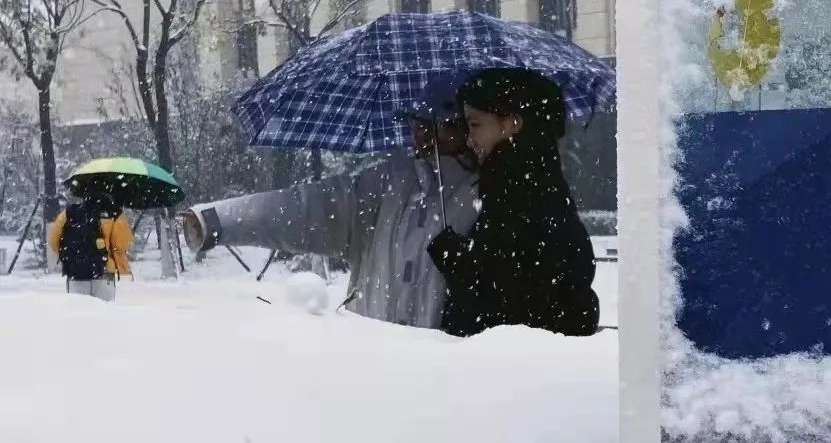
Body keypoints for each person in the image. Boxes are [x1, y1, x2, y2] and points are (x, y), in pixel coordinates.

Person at [180, 77, 480, 329]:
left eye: (431, 124)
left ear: (463, 127)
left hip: (447, 378)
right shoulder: (386, 185)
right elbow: (303, 209)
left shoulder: (492, 195)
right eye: (416, 122)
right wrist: (218, 221)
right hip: (372, 368)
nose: (418, 134)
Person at [428, 67, 600, 337]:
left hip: (517, 367)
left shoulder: (515, 193)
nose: (470, 140)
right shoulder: (533, 183)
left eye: (475, 125)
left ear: (512, 124)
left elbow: (501, 304)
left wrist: (454, 260)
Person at [47, 191, 133, 302]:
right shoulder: (114, 213)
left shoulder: (70, 212)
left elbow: (53, 240)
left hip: (76, 271)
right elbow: (120, 246)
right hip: (104, 269)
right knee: (105, 313)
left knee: (78, 312)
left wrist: (72, 256)